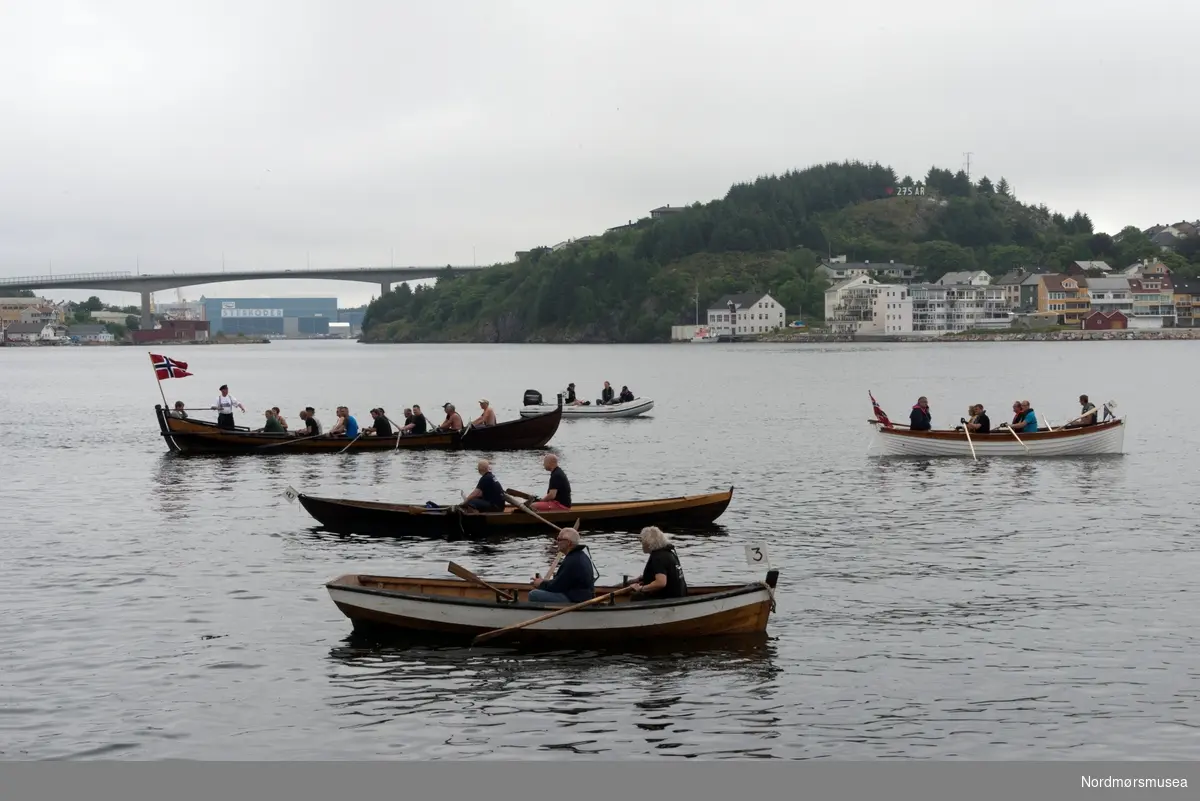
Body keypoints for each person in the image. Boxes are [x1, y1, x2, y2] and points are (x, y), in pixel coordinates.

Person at [528, 528, 595, 603]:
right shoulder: (580, 556)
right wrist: (544, 582)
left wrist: (541, 584)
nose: (557, 542)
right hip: (581, 596)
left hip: (575, 600)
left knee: (533, 594)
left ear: (569, 543)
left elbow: (557, 587)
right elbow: (561, 582)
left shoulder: (572, 560)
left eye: (559, 539)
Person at [626, 526, 688, 600]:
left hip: (668, 599)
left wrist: (640, 588)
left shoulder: (658, 557)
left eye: (641, 540)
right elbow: (665, 572)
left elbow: (661, 583)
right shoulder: (669, 553)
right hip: (680, 596)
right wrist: (642, 578)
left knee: (636, 597)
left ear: (648, 542)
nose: (641, 543)